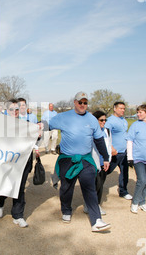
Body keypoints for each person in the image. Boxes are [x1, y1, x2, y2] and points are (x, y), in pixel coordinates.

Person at [48, 92, 111, 232]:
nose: (83, 105)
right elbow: (48, 125)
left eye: (85, 103)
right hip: (67, 159)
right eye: (80, 102)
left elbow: (99, 140)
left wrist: (105, 158)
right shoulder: (64, 117)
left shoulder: (92, 119)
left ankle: (96, 220)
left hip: (85, 159)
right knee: (66, 188)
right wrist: (37, 128)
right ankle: (66, 210)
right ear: (75, 102)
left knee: (90, 187)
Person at [0, 98, 40, 228]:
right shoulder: (1, 125)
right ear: (7, 111)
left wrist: (37, 140)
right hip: (7, 161)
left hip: (24, 161)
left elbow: (35, 139)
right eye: (11, 109)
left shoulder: (27, 124)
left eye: (17, 109)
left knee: (19, 187)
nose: (15, 111)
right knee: (6, 184)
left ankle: (18, 216)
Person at [104, 102, 132, 200]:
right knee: (106, 171)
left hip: (124, 152)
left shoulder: (124, 120)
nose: (123, 110)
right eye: (120, 108)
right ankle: (94, 188)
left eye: (124, 108)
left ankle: (123, 191)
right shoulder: (110, 121)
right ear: (115, 109)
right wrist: (111, 148)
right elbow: (105, 135)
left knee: (124, 172)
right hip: (114, 152)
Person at [88, 111, 112, 216]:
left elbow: (109, 145)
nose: (104, 122)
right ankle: (90, 205)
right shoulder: (91, 131)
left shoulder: (107, 131)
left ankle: (96, 204)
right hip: (94, 161)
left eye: (105, 120)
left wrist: (108, 159)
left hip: (104, 162)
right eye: (101, 120)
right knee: (94, 184)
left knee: (100, 184)